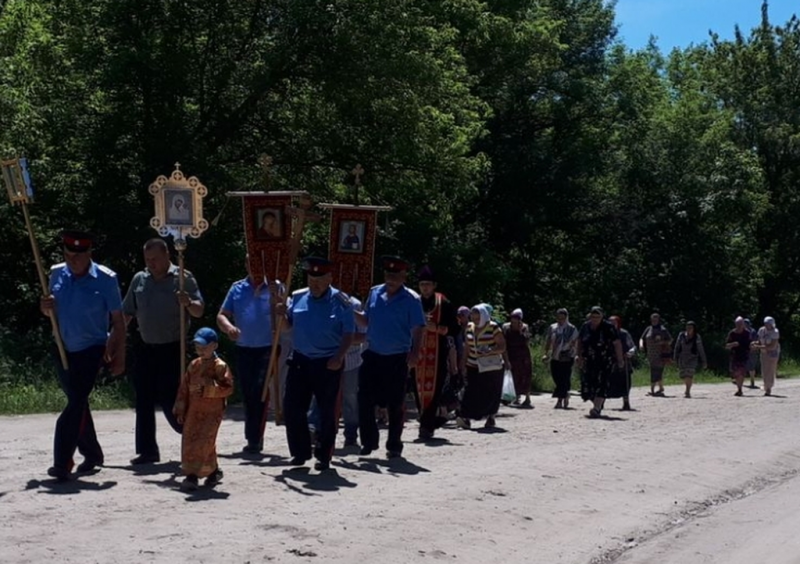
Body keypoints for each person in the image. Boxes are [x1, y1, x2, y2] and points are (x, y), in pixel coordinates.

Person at [40, 231, 126, 481]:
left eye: (77, 256)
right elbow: (50, 311)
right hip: (62, 346)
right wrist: (45, 307)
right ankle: (92, 453)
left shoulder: (106, 279)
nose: (72, 261)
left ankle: (62, 462)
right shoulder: (56, 273)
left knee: (75, 402)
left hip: (92, 348)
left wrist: (119, 355)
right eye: (68, 256)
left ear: (89, 254)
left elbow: (118, 321)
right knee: (78, 402)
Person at [123, 238, 204, 465]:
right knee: (143, 399)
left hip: (173, 348)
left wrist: (188, 302)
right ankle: (147, 451)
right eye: (148, 260)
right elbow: (127, 312)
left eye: (155, 259)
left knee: (171, 398)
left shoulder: (183, 278)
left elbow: (199, 310)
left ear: (167, 255)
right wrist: (114, 338)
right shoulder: (139, 279)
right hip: (146, 347)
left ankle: (194, 438)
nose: (151, 264)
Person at [280, 257, 355, 471]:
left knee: (326, 411)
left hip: (328, 361)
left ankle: (324, 454)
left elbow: (349, 333)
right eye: (311, 279)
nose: (315, 284)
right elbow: (286, 327)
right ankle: (300, 452)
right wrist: (279, 314)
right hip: (300, 359)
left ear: (329, 278)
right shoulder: (297, 297)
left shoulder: (341, 302)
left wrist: (339, 357)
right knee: (292, 407)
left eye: (320, 279)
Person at [355, 256, 425, 458]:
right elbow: (366, 321)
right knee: (364, 398)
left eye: (395, 275)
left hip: (397, 357)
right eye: (388, 274)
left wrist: (415, 352)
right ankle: (368, 441)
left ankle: (394, 444)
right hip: (373, 354)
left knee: (395, 403)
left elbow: (418, 328)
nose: (390, 279)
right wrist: (351, 311)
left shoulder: (411, 299)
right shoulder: (375, 292)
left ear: (404, 277)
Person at [217, 256, 282, 453]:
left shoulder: (276, 286)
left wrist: (277, 299)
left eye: (258, 264)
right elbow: (222, 315)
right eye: (251, 264)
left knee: (259, 390)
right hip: (244, 347)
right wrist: (229, 328)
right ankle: (252, 436)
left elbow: (286, 314)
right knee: (247, 392)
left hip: (268, 347)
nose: (255, 268)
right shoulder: (237, 288)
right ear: (246, 265)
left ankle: (255, 438)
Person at [173, 328, 233, 492]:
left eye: (204, 347)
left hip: (212, 412)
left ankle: (192, 476)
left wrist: (209, 390)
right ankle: (213, 471)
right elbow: (184, 388)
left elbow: (228, 388)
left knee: (204, 441)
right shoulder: (194, 365)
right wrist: (181, 409)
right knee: (190, 440)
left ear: (214, 346)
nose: (201, 350)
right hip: (194, 411)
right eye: (198, 347)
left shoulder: (220, 366)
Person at [414, 266, 459, 440]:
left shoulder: (443, 303)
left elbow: (455, 328)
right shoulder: (413, 302)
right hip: (417, 352)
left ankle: (426, 425)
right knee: (418, 389)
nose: (425, 288)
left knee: (434, 389)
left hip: (438, 354)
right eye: (422, 284)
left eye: (428, 284)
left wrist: (438, 329)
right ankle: (426, 421)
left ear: (434, 285)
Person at [457, 304, 506, 429]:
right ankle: (465, 417)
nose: (475, 320)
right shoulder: (469, 327)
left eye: (478, 318)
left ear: (484, 316)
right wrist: (463, 363)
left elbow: (502, 346)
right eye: (473, 317)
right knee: (470, 391)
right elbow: (467, 347)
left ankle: (491, 416)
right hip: (473, 365)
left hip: (491, 366)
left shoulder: (493, 327)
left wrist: (490, 351)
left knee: (490, 393)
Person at [576, 306, 625, 418]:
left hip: (604, 360)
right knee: (587, 385)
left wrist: (620, 359)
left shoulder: (609, 327)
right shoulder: (585, 326)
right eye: (593, 316)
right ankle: (598, 402)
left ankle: (597, 408)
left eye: (597, 316)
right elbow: (579, 341)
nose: (595, 319)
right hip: (589, 360)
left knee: (602, 383)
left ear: (602, 316)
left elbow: (617, 343)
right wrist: (579, 355)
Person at [543, 308, 577, 409]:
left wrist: (574, 353)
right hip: (555, 355)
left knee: (564, 377)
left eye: (562, 318)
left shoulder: (572, 328)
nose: (560, 320)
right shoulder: (553, 327)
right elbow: (549, 340)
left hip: (567, 356)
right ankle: (565, 394)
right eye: (559, 318)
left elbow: (575, 341)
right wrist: (546, 353)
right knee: (556, 376)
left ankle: (560, 399)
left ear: (566, 317)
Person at [502, 308, 533, 407]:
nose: (514, 322)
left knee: (526, 376)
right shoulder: (506, 327)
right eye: (512, 320)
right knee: (513, 376)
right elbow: (504, 343)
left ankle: (527, 398)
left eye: (516, 320)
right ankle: (514, 397)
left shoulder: (524, 327)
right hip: (511, 354)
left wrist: (520, 331)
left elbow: (526, 341)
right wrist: (506, 359)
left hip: (523, 355)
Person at [639, 312, 672, 397]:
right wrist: (641, 345)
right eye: (653, 319)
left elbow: (670, 340)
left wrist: (662, 342)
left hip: (660, 353)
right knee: (654, 370)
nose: (654, 321)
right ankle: (660, 388)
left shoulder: (663, 329)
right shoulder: (648, 328)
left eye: (656, 319)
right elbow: (642, 338)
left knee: (656, 370)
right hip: (650, 354)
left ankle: (652, 390)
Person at [673, 321, 707, 398]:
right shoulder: (681, 335)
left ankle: (687, 391)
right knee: (683, 375)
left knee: (689, 374)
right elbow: (677, 346)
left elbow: (700, 349)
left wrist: (704, 361)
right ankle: (687, 386)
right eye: (687, 327)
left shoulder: (697, 337)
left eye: (691, 328)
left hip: (692, 358)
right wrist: (675, 357)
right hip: (682, 357)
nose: (689, 329)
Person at [608, 316, 636, 410]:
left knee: (625, 382)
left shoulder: (624, 333)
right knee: (606, 381)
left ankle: (626, 402)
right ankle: (600, 403)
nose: (612, 324)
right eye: (610, 322)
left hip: (624, 360)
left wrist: (630, 352)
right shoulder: (605, 333)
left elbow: (632, 346)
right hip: (609, 360)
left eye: (614, 322)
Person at [726, 316, 753, 397]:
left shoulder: (747, 333)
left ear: (743, 324)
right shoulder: (732, 333)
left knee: (741, 372)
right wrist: (732, 344)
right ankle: (739, 387)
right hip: (734, 355)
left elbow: (750, 344)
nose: (739, 326)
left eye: (741, 324)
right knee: (736, 373)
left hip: (744, 355)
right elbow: (726, 345)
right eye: (737, 324)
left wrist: (752, 346)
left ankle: (740, 389)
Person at [755, 316, 780, 396]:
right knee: (764, 370)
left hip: (773, 353)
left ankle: (769, 388)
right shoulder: (761, 330)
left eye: (768, 324)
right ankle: (766, 385)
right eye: (765, 323)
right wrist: (755, 344)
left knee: (770, 370)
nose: (767, 325)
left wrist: (759, 347)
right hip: (764, 352)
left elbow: (772, 346)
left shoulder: (775, 332)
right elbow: (759, 341)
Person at [745, 318, 759, 388]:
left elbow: (756, 341)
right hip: (745, 351)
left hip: (752, 350)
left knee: (751, 366)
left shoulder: (752, 331)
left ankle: (752, 381)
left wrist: (752, 347)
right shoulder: (743, 331)